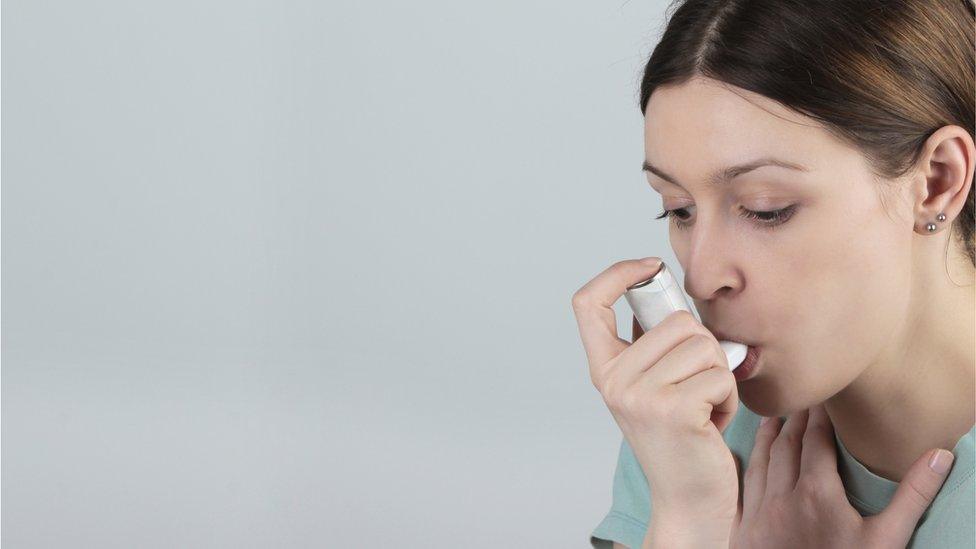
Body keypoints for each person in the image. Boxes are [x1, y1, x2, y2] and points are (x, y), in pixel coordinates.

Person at [571, 0, 976, 547]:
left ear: (936, 181)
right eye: (678, 209)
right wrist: (688, 515)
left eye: (766, 209)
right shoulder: (685, 435)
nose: (701, 277)